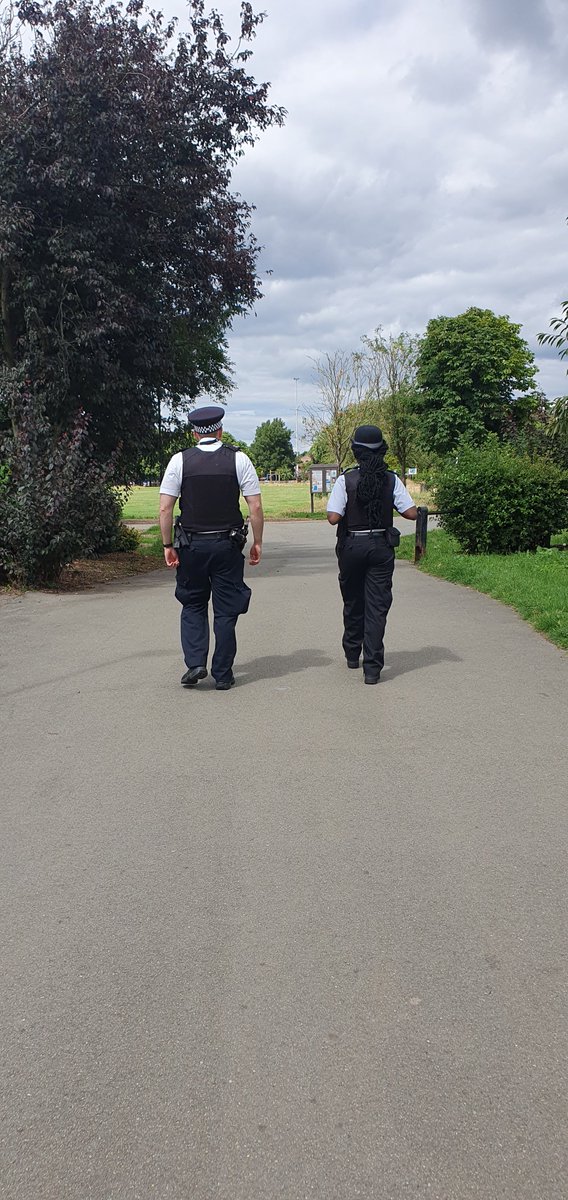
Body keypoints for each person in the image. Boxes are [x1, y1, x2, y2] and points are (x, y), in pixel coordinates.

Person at [159, 405, 264, 691]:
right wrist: (257, 541)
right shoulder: (239, 459)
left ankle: (195, 662)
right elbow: (254, 504)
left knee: (193, 603)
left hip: (191, 545)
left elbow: (166, 508)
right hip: (226, 545)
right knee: (226, 609)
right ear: (220, 429)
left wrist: (168, 544)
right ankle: (223, 673)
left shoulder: (179, 461)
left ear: (194, 432)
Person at [326, 425, 417, 684]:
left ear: (356, 451)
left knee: (353, 601)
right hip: (380, 547)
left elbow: (333, 518)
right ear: (382, 450)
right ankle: (373, 668)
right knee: (377, 607)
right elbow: (410, 513)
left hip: (352, 546)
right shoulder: (391, 479)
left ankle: (353, 652)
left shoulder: (347, 480)